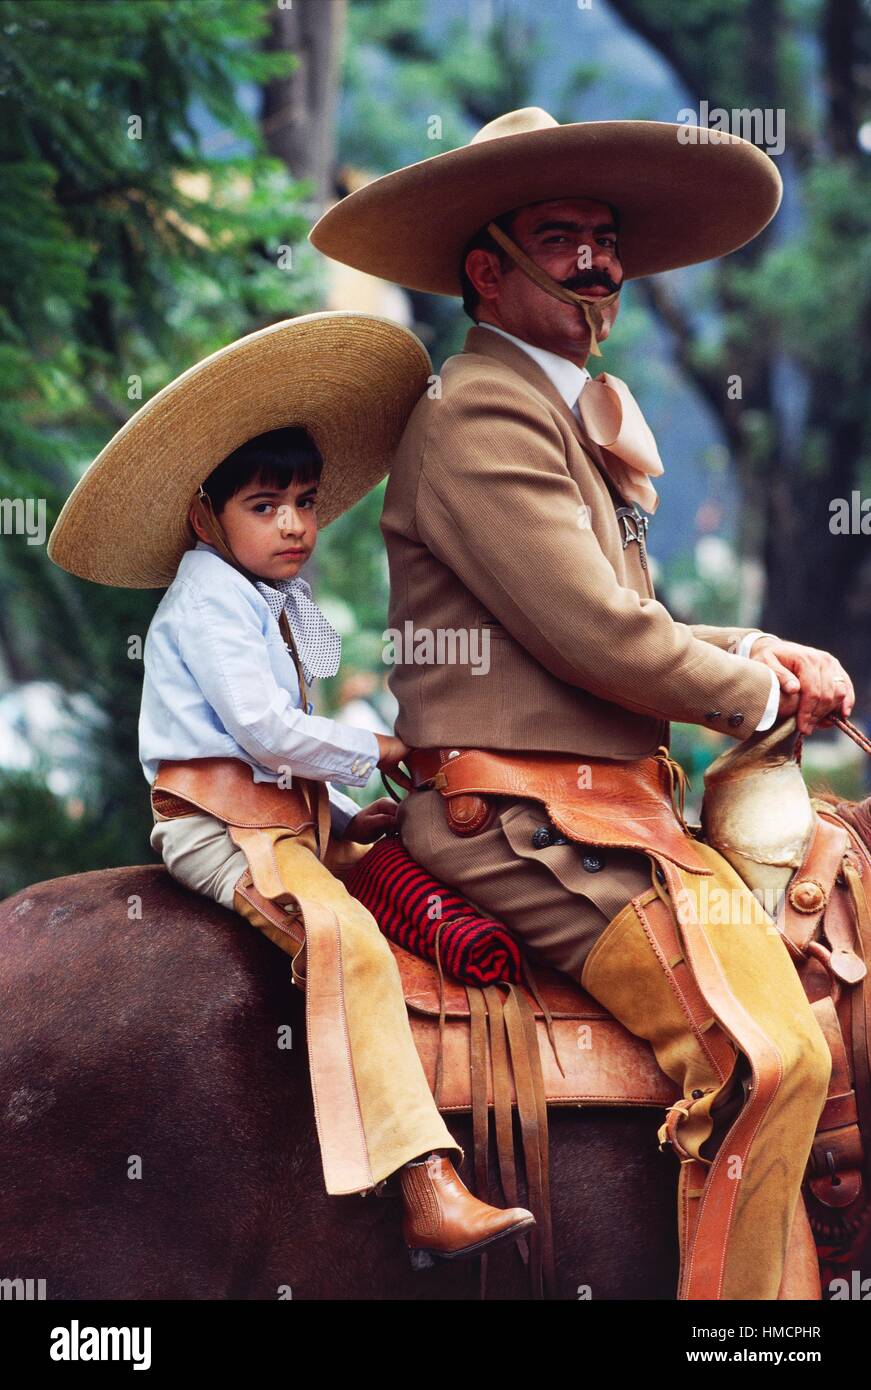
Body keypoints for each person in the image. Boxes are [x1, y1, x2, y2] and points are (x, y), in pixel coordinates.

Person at [309, 111, 857, 1299]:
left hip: (616, 819)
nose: (596, 261)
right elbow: (596, 637)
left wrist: (757, 645)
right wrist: (757, 689)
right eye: (559, 237)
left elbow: (617, 618)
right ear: (484, 269)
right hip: (525, 828)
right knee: (770, 1058)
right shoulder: (481, 411)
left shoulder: (553, 410)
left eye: (605, 238)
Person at [46, 310, 534, 1269]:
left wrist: (357, 814)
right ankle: (424, 1179)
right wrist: (380, 747)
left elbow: (284, 760)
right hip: (214, 827)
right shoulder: (204, 597)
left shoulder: (270, 598)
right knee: (345, 941)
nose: (297, 525)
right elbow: (264, 733)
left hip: (284, 818)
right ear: (204, 517)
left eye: (305, 501)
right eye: (265, 506)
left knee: (427, 869)